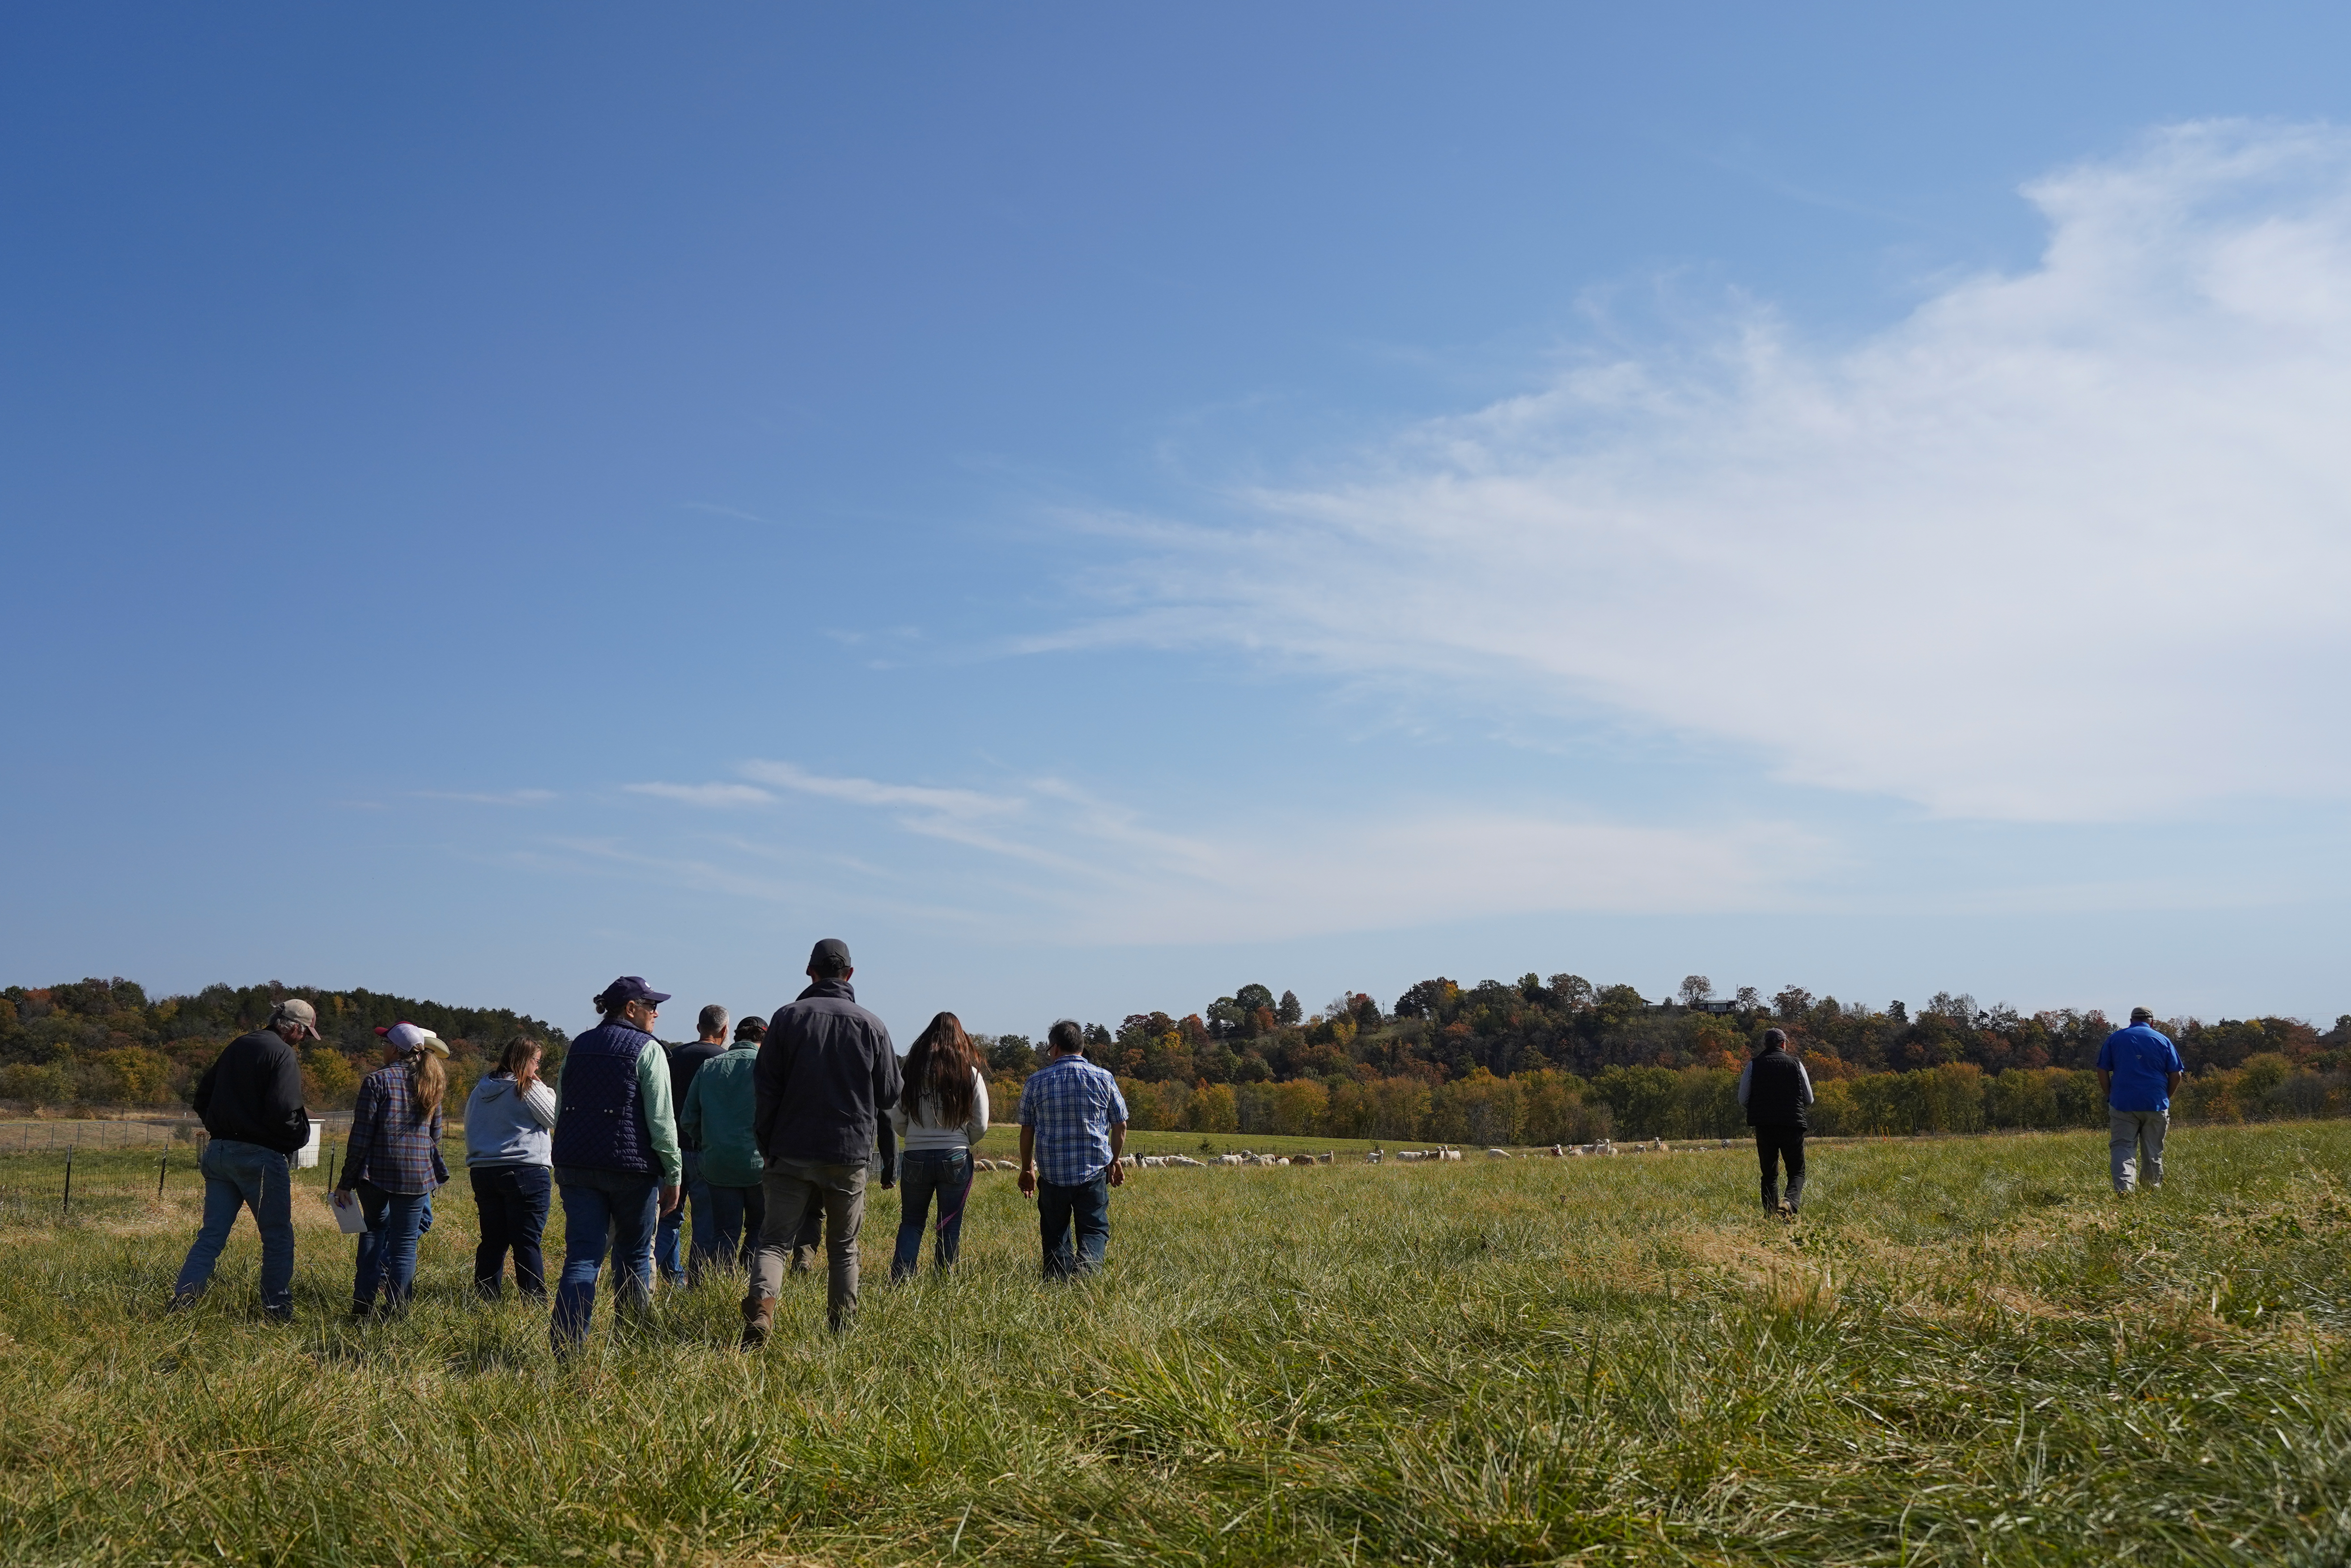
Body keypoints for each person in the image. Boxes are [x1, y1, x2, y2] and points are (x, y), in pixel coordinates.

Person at [742, 938, 901, 1346]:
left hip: (790, 1149)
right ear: (850, 974)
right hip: (848, 1154)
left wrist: (767, 1143)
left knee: (775, 1241)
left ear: (810, 972)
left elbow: (765, 1090)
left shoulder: (786, 1019)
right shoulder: (872, 1025)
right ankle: (841, 1328)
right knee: (844, 1246)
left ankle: (762, 1309)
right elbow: (888, 1096)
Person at [548, 976, 684, 1352]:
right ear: (630, 1009)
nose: (656, 1012)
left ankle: (567, 1348)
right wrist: (673, 1174)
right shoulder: (648, 1049)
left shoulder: (577, 1047)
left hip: (576, 1166)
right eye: (651, 1005)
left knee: (583, 1257)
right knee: (636, 1255)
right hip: (632, 1170)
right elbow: (661, 1121)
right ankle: (633, 1344)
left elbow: (559, 1110)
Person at [171, 998, 318, 1320]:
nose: (304, 1038)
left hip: (220, 1152)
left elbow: (202, 1096)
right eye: (305, 1032)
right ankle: (276, 1309)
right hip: (260, 1158)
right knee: (277, 1236)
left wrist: (222, 1129)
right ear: (293, 1027)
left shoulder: (238, 1045)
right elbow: (284, 1110)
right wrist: (295, 1140)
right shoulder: (283, 1054)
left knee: (211, 1235)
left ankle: (182, 1302)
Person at [333, 1021, 451, 1317]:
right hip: (415, 1176)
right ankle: (398, 1312)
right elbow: (434, 1137)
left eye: (385, 1044)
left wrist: (346, 1182)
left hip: (375, 1175)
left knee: (373, 1231)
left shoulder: (376, 1081)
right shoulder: (431, 1083)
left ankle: (363, 1305)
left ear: (395, 1050)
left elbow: (361, 1138)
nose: (382, 1049)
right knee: (405, 1246)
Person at [1017, 1019, 1128, 1277]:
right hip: (1093, 1172)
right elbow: (1120, 1125)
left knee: (1055, 1232)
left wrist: (1027, 1168)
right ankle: (1087, 1277)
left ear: (1055, 1048)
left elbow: (1027, 1130)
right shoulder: (1104, 1078)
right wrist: (1115, 1161)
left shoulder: (1036, 1081)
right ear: (1081, 1046)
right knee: (1093, 1228)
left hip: (1053, 1174)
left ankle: (1058, 1282)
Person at [889, 1012, 990, 1280]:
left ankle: (902, 1277)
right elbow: (981, 1124)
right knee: (949, 1223)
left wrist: (911, 1137)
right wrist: (962, 1142)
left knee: (911, 1221)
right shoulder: (970, 1074)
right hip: (955, 1155)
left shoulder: (910, 1073)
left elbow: (896, 1117)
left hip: (915, 1155)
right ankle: (944, 1277)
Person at [464, 1035, 558, 1301]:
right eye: (537, 1062)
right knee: (526, 1241)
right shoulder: (527, 1088)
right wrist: (546, 1089)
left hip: (483, 1170)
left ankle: (486, 1298)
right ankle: (534, 1300)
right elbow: (555, 1117)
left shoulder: (481, 1089)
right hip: (524, 1171)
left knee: (492, 1241)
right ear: (526, 1061)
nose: (538, 1068)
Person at [679, 1015, 767, 1277]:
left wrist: (708, 1141)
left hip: (718, 1163)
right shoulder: (770, 1067)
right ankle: (750, 1285)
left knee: (724, 1233)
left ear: (732, 1034)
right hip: (759, 1164)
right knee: (759, 1228)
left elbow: (688, 1119)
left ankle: (720, 1285)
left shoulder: (709, 1067)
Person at [656, 1004, 729, 1286]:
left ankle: (664, 1274)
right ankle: (698, 1282)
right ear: (724, 1030)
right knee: (705, 1222)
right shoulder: (723, 1061)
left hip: (671, 1148)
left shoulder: (673, 1057)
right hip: (704, 1150)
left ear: (698, 1027)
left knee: (669, 1215)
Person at [2099, 1006, 2185, 1195]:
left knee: (2123, 1146)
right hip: (2155, 1101)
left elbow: (2102, 1069)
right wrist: (2165, 1097)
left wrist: (2110, 1095)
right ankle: (2151, 1192)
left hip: (2122, 1102)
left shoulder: (2115, 1039)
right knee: (2153, 1150)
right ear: (2152, 1022)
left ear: (2131, 1021)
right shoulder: (2163, 1040)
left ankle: (2124, 1190)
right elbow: (2176, 1074)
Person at [1739, 1027, 1814, 1217]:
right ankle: (1789, 1203)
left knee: (1769, 1174)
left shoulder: (1753, 1065)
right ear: (1783, 1044)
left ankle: (1770, 1215)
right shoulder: (1796, 1064)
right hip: (1792, 1124)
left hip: (1765, 1126)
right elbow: (1809, 1098)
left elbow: (1743, 1098)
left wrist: (1759, 1107)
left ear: (1766, 1044)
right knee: (1797, 1171)